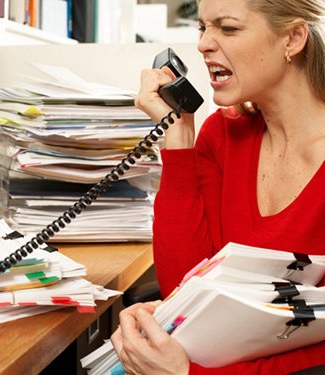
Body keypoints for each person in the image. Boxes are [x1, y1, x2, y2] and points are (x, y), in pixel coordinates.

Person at [110, 0, 325, 373]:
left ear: (292, 38)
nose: (204, 44)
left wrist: (187, 373)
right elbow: (183, 293)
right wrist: (178, 140)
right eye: (202, 28)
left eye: (227, 29)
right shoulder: (223, 135)